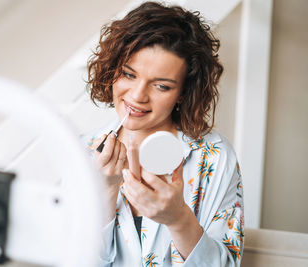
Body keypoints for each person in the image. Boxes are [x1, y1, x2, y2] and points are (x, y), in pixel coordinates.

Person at [85, 2, 244, 266]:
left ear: (183, 92)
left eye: (161, 86)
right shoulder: (83, 150)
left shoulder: (215, 157)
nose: (137, 96)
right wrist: (104, 192)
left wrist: (178, 219)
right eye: (128, 74)